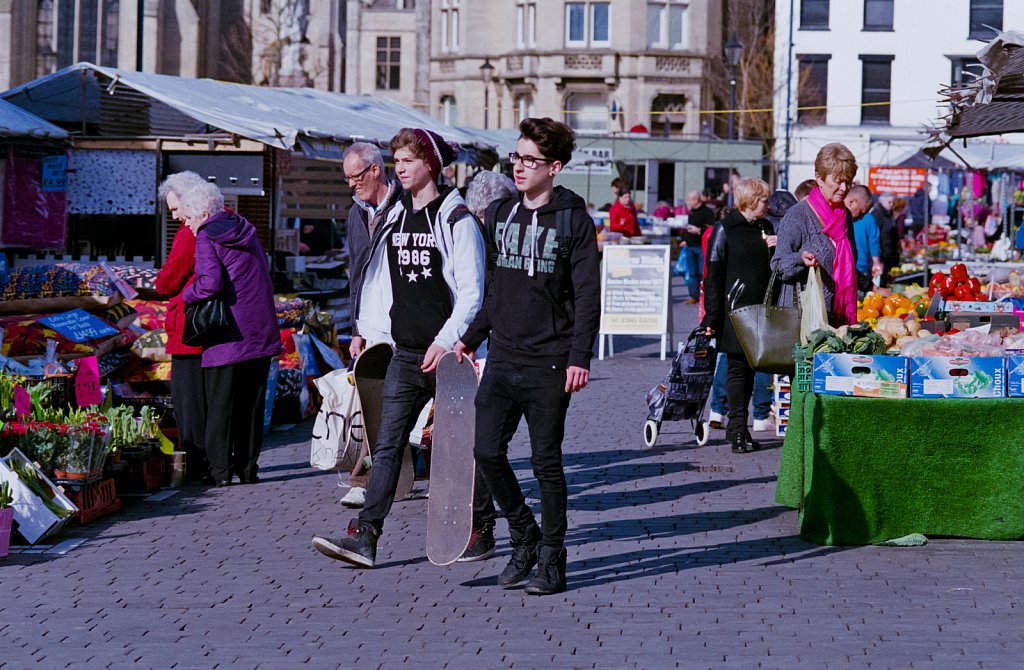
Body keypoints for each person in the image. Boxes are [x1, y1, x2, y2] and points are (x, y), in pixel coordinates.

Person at [311, 128, 485, 568]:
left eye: (408, 160)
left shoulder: (455, 218)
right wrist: (367, 334)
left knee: (461, 449)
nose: (400, 168)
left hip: (449, 357)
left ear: (430, 163)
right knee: (386, 446)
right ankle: (365, 536)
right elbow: (380, 284)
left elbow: (472, 291)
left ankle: (480, 529)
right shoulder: (393, 217)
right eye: (397, 161)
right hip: (405, 355)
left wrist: (448, 341)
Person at [456, 117, 601, 595]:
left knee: (546, 462)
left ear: (554, 167)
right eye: (516, 157)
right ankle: (524, 535)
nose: (519, 167)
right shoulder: (500, 215)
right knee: (485, 451)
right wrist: (470, 337)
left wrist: (580, 356)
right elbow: (494, 289)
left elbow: (587, 294)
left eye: (530, 160)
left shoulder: (574, 221)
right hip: (503, 356)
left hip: (551, 362)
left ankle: (553, 559)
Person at [180, 182, 282, 486]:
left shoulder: (206, 236)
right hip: (260, 329)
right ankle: (248, 469)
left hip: (227, 335)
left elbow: (210, 284)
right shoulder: (246, 229)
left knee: (221, 405)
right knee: (251, 405)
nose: (185, 224)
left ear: (202, 212)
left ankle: (220, 472)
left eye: (186, 218)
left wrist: (188, 294)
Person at [339, 141, 403, 508]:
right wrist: (356, 328)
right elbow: (356, 272)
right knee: (373, 402)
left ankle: (416, 470)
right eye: (347, 178)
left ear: (376, 170)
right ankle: (365, 478)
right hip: (373, 323)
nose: (352, 184)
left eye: (356, 176)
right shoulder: (356, 212)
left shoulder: (405, 206)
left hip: (408, 324)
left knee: (414, 404)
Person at [701, 178, 774, 454]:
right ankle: (737, 427)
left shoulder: (765, 228)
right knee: (737, 369)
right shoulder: (725, 228)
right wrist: (711, 318)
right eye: (764, 200)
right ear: (751, 200)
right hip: (734, 308)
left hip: (760, 309)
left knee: (753, 368)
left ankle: (738, 429)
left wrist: (775, 247)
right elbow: (714, 276)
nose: (768, 205)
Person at [772, 143, 875, 327]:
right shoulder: (798, 216)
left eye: (848, 181)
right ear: (819, 178)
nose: (844, 188)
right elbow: (778, 266)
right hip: (802, 321)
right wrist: (800, 259)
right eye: (838, 181)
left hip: (835, 320)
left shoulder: (845, 218)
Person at [155, 170, 209, 481]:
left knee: (189, 400)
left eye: (176, 209)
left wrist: (159, 282)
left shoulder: (190, 233)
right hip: (203, 327)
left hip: (189, 326)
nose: (176, 217)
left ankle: (195, 463)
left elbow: (169, 279)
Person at [846, 185, 883, 280]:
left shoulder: (868, 218)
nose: (862, 217)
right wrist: (876, 262)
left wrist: (876, 263)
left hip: (860, 268)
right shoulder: (838, 218)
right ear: (853, 203)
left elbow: (873, 242)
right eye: (861, 212)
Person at [684, 190, 715, 304]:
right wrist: (685, 239)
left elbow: (711, 228)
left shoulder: (707, 212)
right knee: (692, 272)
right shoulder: (691, 211)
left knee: (703, 272)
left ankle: (705, 295)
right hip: (690, 245)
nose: (688, 202)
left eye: (689, 199)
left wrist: (698, 230)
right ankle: (693, 296)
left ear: (696, 200)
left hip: (701, 246)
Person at [874, 192, 899, 288]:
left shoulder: (889, 213)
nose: (891, 205)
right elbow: (875, 236)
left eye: (893, 202)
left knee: (888, 279)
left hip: (890, 252)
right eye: (889, 202)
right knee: (881, 280)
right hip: (883, 253)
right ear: (882, 201)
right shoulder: (877, 214)